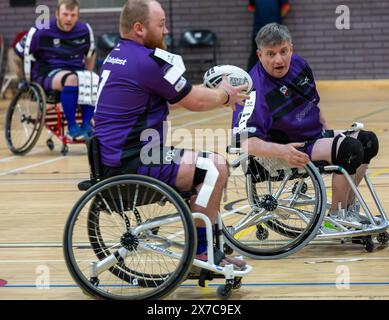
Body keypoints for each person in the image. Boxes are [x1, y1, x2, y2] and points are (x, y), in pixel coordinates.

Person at [94, 0, 250, 269]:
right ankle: (201, 252)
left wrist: (209, 93)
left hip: (119, 156)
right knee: (215, 166)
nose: (166, 31)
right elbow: (194, 102)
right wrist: (224, 95)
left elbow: (173, 97)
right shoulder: (145, 62)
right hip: (133, 160)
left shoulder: (119, 54)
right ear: (140, 28)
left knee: (200, 166)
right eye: (161, 24)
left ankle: (204, 244)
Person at [232, 23, 379, 220]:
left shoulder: (299, 64)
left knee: (368, 141)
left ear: (291, 48)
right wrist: (283, 151)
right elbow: (244, 142)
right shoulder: (253, 90)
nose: (279, 60)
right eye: (271, 54)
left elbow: (312, 103)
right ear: (259, 55)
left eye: (284, 51)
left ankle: (348, 208)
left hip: (312, 137)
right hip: (286, 149)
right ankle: (336, 217)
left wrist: (328, 133)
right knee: (349, 149)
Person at [14, 0, 96, 141]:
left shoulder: (84, 30)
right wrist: (22, 80)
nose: (69, 19)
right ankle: (72, 128)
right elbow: (17, 54)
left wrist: (88, 74)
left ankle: (86, 125)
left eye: (73, 15)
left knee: (92, 77)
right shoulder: (41, 31)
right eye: (65, 14)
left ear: (78, 15)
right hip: (48, 72)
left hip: (76, 71)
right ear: (57, 14)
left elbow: (91, 55)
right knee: (72, 79)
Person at [247, 0, 290, 71]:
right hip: (258, 30)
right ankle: (250, 77)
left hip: (274, 31)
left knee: (276, 53)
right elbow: (251, 7)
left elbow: (285, 7)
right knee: (256, 55)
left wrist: (276, 18)